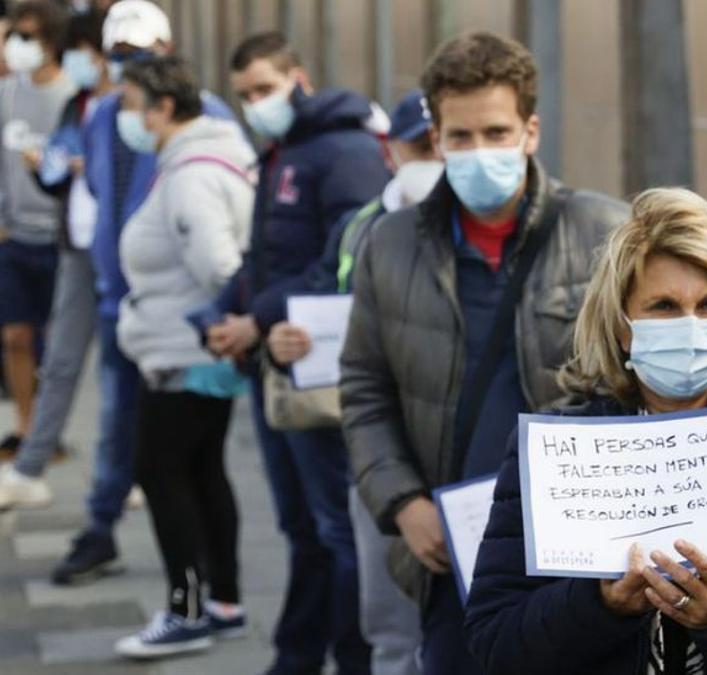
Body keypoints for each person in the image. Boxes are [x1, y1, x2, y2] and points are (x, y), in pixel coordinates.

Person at [463, 187, 707, 673]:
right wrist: (599, 605)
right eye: (664, 306)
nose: (690, 326)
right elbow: (493, 645)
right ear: (621, 325)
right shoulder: (556, 457)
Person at [339, 31, 630, 674]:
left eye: (496, 133)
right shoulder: (389, 246)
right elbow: (363, 388)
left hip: (579, 552)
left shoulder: (606, 234)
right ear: (436, 138)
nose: (478, 153)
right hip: (453, 551)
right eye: (460, 137)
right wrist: (402, 503)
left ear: (530, 131)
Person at [206, 30, 391, 675]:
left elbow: (345, 259)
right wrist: (230, 312)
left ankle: (351, 656)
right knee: (302, 529)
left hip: (319, 364)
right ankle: (299, 653)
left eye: (264, 88)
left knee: (336, 529)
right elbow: (266, 257)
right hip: (276, 363)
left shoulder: (343, 151)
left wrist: (256, 319)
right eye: (245, 94)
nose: (256, 102)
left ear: (299, 78)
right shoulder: (283, 150)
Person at [45, 0, 236, 587]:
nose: (129, 71)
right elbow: (102, 191)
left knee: (183, 455)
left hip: (183, 312)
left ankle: (204, 583)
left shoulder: (208, 121)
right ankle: (104, 532)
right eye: (119, 58)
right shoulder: (106, 116)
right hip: (121, 303)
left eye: (139, 56)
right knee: (118, 424)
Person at [267, 88, 441, 675]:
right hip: (374, 448)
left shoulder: (485, 233)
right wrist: (282, 340)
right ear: (390, 150)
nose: (431, 156)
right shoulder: (358, 227)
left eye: (441, 143)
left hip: (458, 456)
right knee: (387, 624)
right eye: (418, 145)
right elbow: (319, 297)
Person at [106, 56, 255, 659]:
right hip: (190, 354)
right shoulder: (204, 158)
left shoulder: (191, 175)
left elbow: (220, 267)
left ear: (162, 109)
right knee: (202, 473)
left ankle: (186, 609)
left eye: (128, 103)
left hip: (185, 355)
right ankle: (223, 601)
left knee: (162, 473)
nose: (124, 117)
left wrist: (222, 327)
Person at [0, 7, 108, 509]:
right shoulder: (20, 96)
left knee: (83, 358)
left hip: (81, 248)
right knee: (29, 342)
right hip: (36, 242)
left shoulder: (85, 101)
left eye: (25, 36)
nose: (14, 45)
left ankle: (110, 470)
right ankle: (30, 445)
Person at [0, 0, 75, 456]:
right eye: (14, 37)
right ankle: (26, 427)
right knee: (14, 336)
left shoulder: (70, 97)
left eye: (28, 37)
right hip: (13, 237)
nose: (18, 47)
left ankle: (50, 431)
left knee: (55, 344)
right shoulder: (6, 95)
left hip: (59, 240)